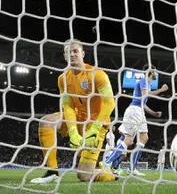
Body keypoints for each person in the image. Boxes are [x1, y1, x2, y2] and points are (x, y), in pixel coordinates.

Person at [31, 39, 117, 183]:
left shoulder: (97, 74)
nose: (72, 54)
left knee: (84, 177)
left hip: (97, 124)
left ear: (82, 53)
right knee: (46, 121)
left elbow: (110, 103)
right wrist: (72, 131)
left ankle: (112, 174)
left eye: (75, 51)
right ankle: (52, 172)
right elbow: (68, 106)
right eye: (68, 52)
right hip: (77, 118)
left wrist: (95, 128)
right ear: (64, 56)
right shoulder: (62, 79)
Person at [103, 64, 168, 176]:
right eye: (155, 71)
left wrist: (153, 113)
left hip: (138, 111)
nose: (156, 73)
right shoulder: (144, 80)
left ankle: (132, 168)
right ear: (151, 72)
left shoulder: (147, 83)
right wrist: (161, 90)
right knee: (129, 139)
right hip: (135, 111)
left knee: (143, 137)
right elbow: (145, 95)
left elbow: (142, 102)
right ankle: (107, 163)